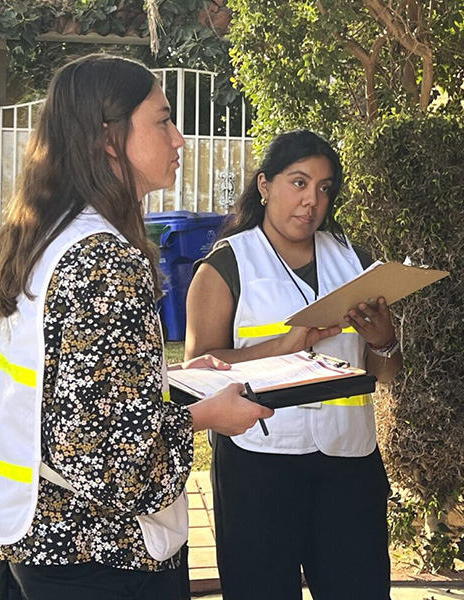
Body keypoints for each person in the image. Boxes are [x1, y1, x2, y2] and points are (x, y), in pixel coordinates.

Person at [0, 54, 272, 600]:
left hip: (41, 537)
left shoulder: (50, 232)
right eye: (163, 120)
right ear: (109, 137)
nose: (180, 140)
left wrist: (164, 380)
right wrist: (203, 416)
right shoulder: (104, 258)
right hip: (102, 552)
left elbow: (72, 385)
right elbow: (104, 452)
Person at [185, 129, 402, 600]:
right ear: (265, 186)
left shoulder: (354, 261)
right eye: (298, 183)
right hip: (260, 465)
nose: (311, 201)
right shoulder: (226, 266)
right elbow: (198, 371)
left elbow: (383, 373)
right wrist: (285, 345)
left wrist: (384, 342)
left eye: (324, 189)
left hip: (349, 463)